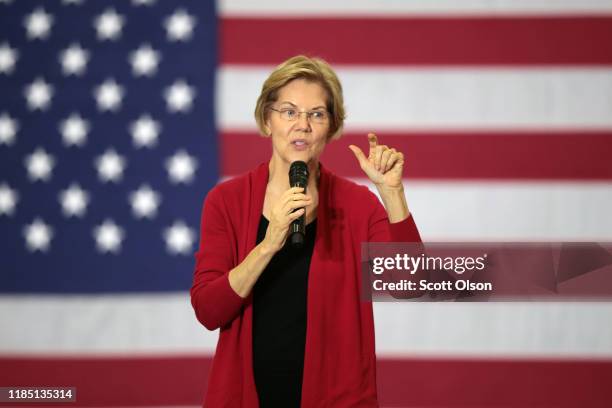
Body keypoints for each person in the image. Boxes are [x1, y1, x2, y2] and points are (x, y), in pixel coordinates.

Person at [191, 55, 421, 407]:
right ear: (267, 120)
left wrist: (392, 193)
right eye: (289, 112)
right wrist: (268, 244)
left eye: (317, 114)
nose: (303, 125)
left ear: (331, 127)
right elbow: (208, 310)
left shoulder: (356, 205)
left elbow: (411, 283)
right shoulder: (226, 201)